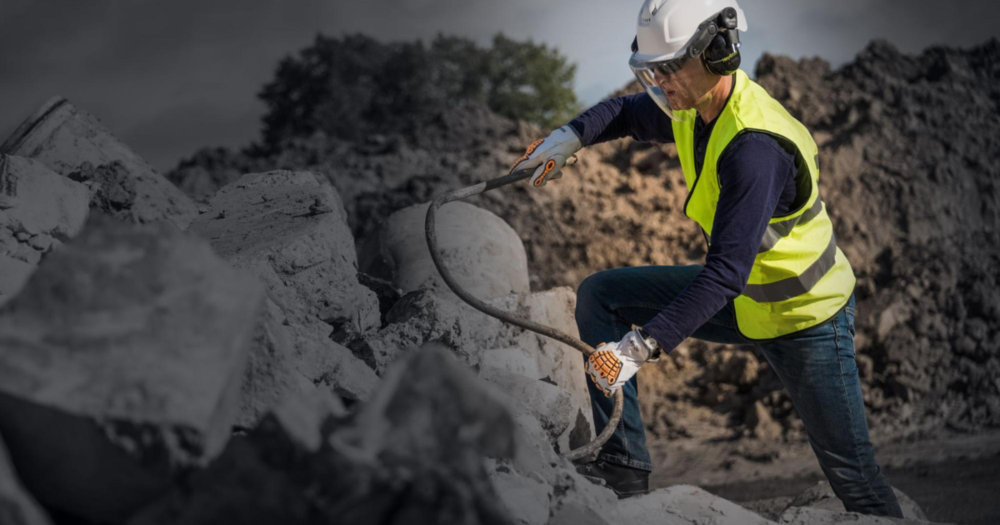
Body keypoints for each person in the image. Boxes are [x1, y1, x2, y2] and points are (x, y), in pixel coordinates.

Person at [508, 0, 904, 517]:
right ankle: (624, 468)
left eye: (670, 66)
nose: (660, 80)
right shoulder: (692, 109)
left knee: (855, 479)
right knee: (600, 296)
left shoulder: (754, 147)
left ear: (718, 53)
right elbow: (625, 112)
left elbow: (723, 275)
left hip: (806, 317)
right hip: (747, 302)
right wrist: (568, 137)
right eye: (653, 67)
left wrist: (635, 350)